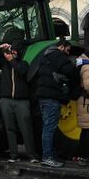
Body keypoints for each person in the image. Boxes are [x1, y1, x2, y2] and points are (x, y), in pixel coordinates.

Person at [0, 41, 37, 163]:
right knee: (10, 128)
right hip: (6, 100)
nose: (12, 53)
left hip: (21, 101)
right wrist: (0, 48)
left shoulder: (24, 64)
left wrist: (11, 60)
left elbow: (21, 71)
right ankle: (14, 155)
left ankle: (32, 155)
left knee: (26, 128)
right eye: (11, 51)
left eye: (14, 51)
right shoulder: (4, 64)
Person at [34, 39, 75, 168]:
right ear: (61, 47)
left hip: (42, 96)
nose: (67, 54)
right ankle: (47, 157)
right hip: (52, 96)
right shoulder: (58, 55)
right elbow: (69, 70)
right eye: (67, 50)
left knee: (47, 127)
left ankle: (49, 155)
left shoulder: (44, 57)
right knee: (49, 128)